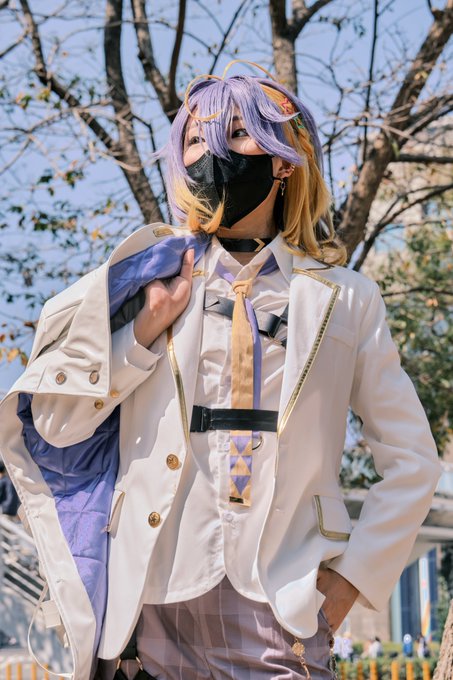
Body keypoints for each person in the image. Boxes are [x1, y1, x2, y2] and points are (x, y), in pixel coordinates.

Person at [0, 62, 441, 680]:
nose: (212, 152)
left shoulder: (346, 299)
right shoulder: (146, 278)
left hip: (283, 605)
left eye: (236, 134)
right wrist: (143, 331)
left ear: (282, 160)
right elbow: (56, 422)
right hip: (151, 608)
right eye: (194, 140)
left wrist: (350, 584)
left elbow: (413, 460)